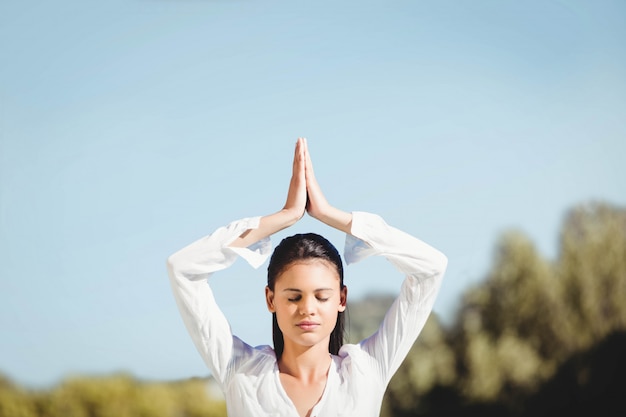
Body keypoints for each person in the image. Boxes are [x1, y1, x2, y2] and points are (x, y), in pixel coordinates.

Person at [167, 138, 448, 417]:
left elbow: (431, 268)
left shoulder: (367, 371)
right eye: (293, 296)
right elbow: (183, 267)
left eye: (321, 296)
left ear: (341, 298)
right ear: (270, 299)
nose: (307, 308)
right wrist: (284, 217)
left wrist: (331, 215)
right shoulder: (240, 372)